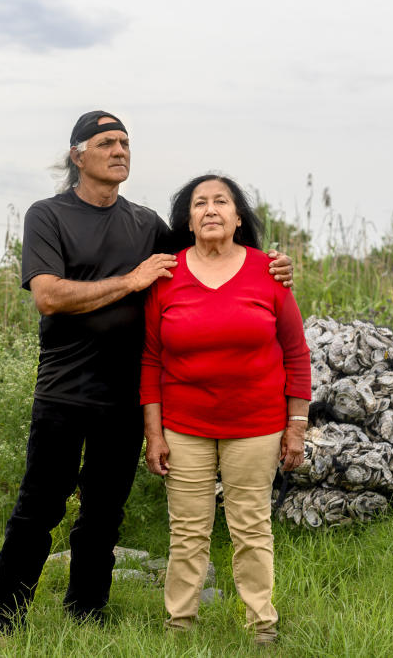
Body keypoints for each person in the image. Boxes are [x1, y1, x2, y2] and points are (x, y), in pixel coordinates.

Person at [0, 112, 294, 633]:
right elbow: (48, 295)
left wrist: (271, 266)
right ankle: (7, 620)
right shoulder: (48, 215)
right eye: (106, 143)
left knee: (104, 513)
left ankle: (87, 613)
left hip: (126, 396)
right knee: (39, 507)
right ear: (77, 155)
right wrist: (130, 281)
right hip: (64, 390)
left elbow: (212, 249)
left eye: (125, 143)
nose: (119, 151)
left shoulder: (146, 223)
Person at [141, 174, 312, 645]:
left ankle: (262, 627)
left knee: (251, 528)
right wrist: (153, 435)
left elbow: (296, 353)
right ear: (188, 219)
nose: (210, 209)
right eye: (200, 203)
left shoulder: (269, 272)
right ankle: (179, 626)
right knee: (188, 533)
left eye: (222, 201)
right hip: (184, 427)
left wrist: (296, 426)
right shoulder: (166, 274)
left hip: (256, 426)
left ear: (239, 218)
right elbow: (151, 359)